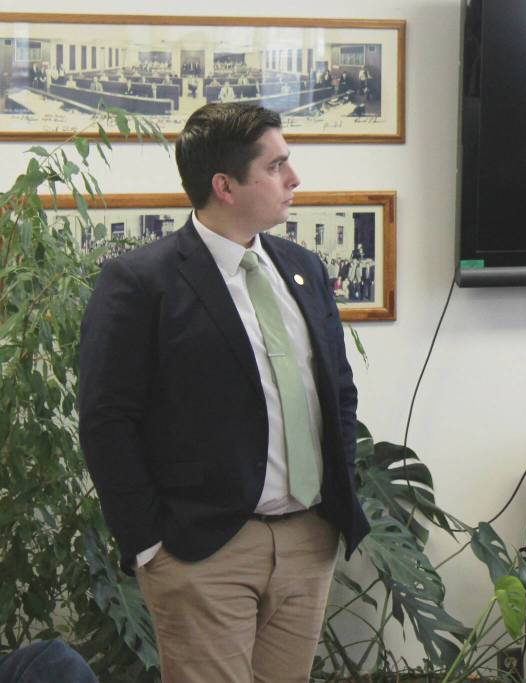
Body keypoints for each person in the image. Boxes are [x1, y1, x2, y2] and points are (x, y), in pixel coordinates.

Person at [78, 102, 370, 683]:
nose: (294, 179)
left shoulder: (304, 268)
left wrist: (335, 504)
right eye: (276, 166)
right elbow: (106, 421)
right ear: (225, 186)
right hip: (202, 550)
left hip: (307, 538)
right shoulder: (141, 282)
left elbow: (338, 392)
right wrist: (148, 546)